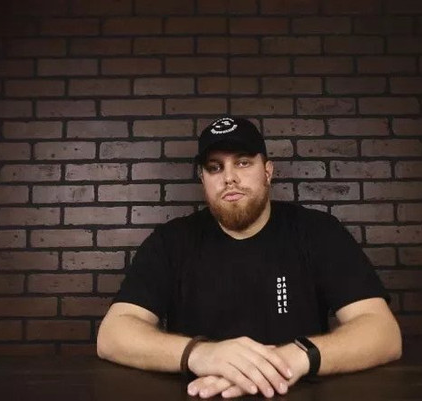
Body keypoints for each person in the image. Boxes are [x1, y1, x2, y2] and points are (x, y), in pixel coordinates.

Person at [97, 117, 402, 399]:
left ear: (268, 171)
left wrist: (292, 358)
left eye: (243, 162)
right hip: (201, 394)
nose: (229, 178)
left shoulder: (317, 232)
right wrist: (201, 354)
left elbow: (383, 333)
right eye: (215, 168)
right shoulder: (171, 241)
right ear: (203, 178)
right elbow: (113, 335)